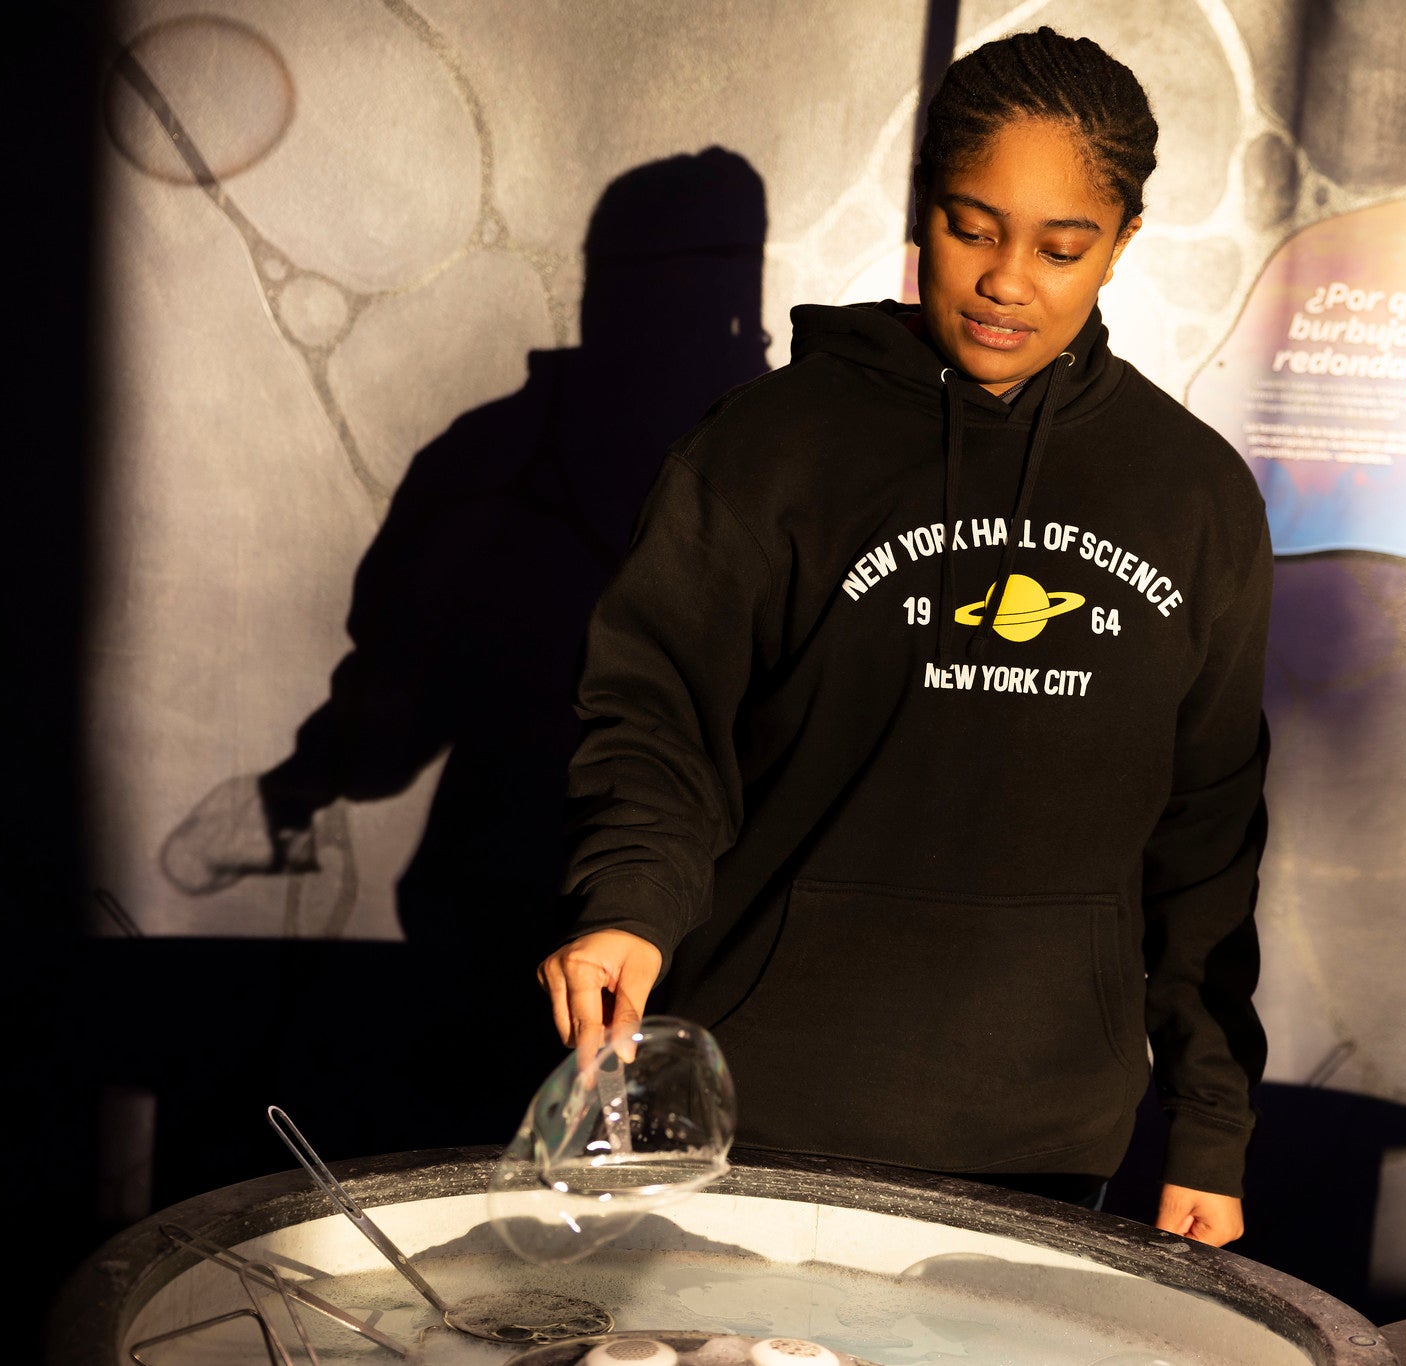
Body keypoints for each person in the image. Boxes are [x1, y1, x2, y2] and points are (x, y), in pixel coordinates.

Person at [538, 28, 1270, 1248]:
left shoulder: (1191, 494)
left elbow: (1207, 839)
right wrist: (628, 906)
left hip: (1039, 1145)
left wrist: (1207, 1121)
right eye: (971, 226)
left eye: (1059, 245)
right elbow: (657, 717)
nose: (1004, 279)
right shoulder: (767, 448)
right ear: (920, 214)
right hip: (749, 1117)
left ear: (1122, 247)